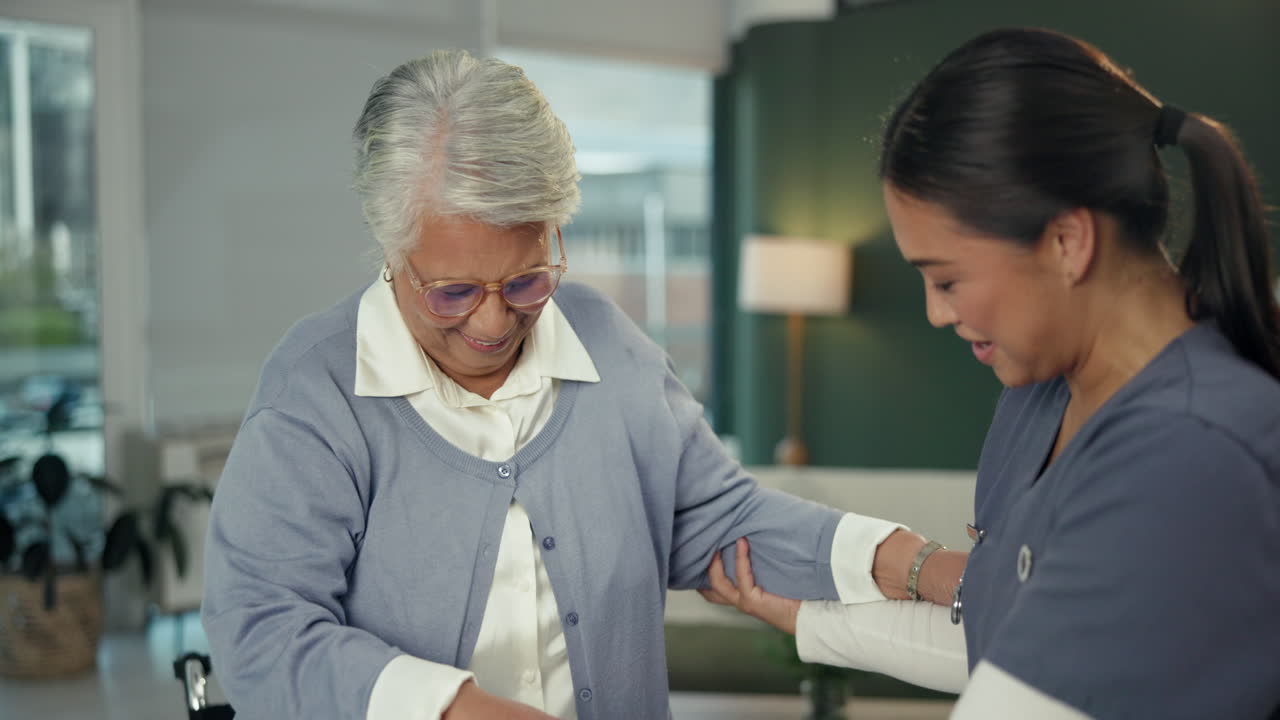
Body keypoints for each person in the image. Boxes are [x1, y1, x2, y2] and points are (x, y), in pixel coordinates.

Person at [200, 49, 964, 720]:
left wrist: (917, 564)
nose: (495, 323)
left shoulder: (605, 341)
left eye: (528, 279)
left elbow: (716, 517)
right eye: (454, 293)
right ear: (392, 252)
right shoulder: (318, 386)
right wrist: (453, 708)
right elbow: (263, 630)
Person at [703, 27, 1280, 720]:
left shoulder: (1190, 452)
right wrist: (810, 619)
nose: (936, 315)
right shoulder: (1039, 398)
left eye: (946, 280)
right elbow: (1018, 640)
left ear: (1068, 241)